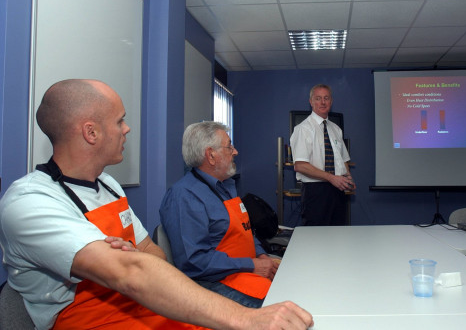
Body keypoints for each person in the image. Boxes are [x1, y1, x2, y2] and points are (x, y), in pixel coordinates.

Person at [0, 79, 313, 330]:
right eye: (120, 120)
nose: (127, 129)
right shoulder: (30, 202)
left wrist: (130, 260)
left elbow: (152, 253)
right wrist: (246, 319)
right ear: (90, 132)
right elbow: (131, 272)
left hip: (140, 302)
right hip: (91, 318)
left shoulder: (108, 185)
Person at [159, 121, 278, 308]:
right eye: (229, 146)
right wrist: (251, 265)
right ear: (211, 155)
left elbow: (244, 230)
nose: (235, 151)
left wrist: (262, 256)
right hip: (212, 284)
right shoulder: (185, 196)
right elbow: (194, 262)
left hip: (244, 270)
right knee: (284, 306)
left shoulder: (225, 187)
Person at [290, 84, 356, 226]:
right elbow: (300, 166)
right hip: (315, 192)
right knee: (315, 238)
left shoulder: (336, 129)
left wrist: (348, 177)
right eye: (318, 98)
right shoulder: (303, 129)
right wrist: (331, 178)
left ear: (331, 101)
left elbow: (343, 158)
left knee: (338, 235)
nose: (323, 102)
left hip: (337, 190)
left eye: (326, 98)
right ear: (311, 102)